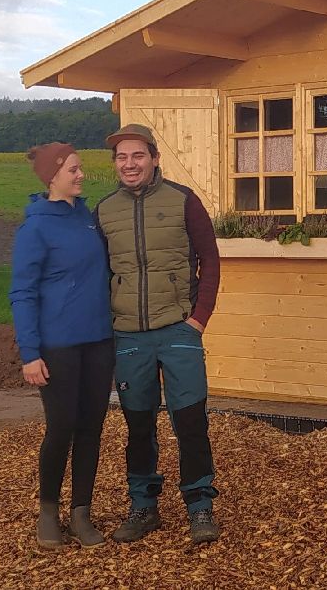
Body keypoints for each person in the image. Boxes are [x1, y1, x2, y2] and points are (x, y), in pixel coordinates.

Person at [93, 123, 222, 545]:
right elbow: (99, 274)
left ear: (154, 159)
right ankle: (143, 506)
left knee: (189, 421)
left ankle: (200, 507)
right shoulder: (105, 210)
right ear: (115, 164)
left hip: (178, 329)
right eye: (122, 158)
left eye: (138, 156)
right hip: (128, 335)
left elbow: (210, 261)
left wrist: (198, 319)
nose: (130, 164)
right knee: (138, 424)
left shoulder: (183, 201)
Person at [9, 142, 113, 550]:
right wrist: (30, 353)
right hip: (58, 346)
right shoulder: (36, 227)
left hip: (98, 341)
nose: (81, 174)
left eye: (80, 167)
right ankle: (48, 512)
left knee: (92, 428)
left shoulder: (85, 217)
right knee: (61, 428)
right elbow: (22, 292)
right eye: (73, 169)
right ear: (52, 175)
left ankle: (82, 513)